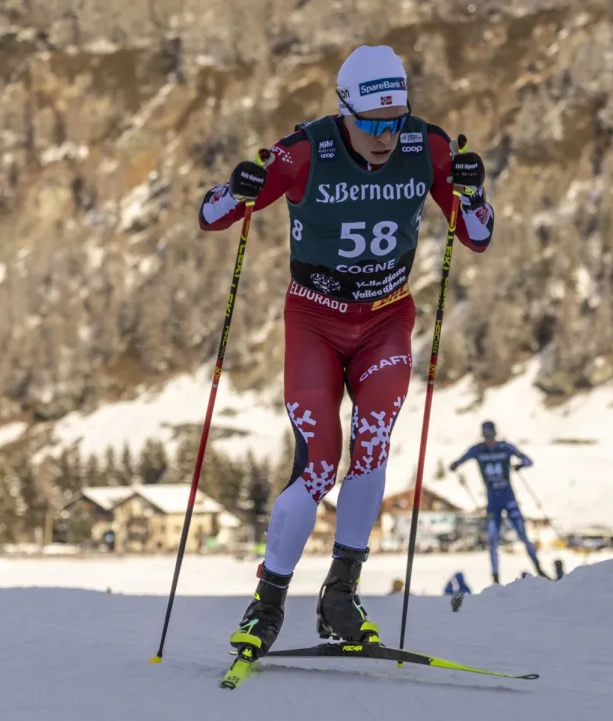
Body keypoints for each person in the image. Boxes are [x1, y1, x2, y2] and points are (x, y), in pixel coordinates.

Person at [198, 44, 496, 658]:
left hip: (386, 319)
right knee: (318, 464)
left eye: (396, 120)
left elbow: (478, 236)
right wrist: (237, 187)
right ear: (345, 111)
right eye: (371, 123)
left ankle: (341, 592)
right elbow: (212, 216)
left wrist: (472, 192)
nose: (385, 136)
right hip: (315, 319)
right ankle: (268, 603)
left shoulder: (428, 147)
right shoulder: (305, 151)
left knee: (374, 442)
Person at [450, 420, 547, 584]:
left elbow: (529, 461)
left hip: (508, 498)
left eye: (491, 435)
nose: (489, 439)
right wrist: (455, 466)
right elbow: (457, 462)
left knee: (523, 534)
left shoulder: (505, 447)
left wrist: (519, 465)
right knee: (492, 538)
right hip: (493, 502)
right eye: (486, 436)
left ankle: (539, 569)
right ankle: (495, 578)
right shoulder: (477, 450)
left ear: (495, 434)